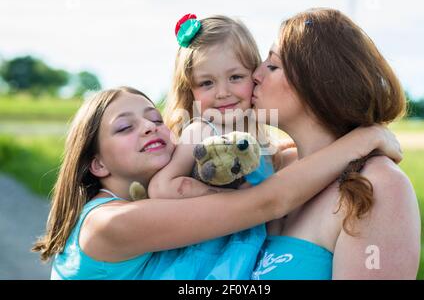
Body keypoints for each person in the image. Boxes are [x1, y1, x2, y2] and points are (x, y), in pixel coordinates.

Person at [32, 86, 401, 280]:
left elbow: (269, 157)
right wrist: (363, 139)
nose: (149, 126)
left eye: (154, 118)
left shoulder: (133, 204)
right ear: (96, 163)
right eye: (126, 127)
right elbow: (264, 204)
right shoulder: (111, 224)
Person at [250, 8, 421, 280]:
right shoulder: (269, 167)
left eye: (272, 66)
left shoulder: (378, 185)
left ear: (317, 82)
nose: (255, 75)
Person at [146, 14, 275, 279]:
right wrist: (219, 194)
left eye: (236, 77)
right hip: (208, 253)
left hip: (253, 251)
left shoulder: (258, 129)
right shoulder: (201, 130)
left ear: (255, 75)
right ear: (190, 89)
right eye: (207, 83)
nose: (222, 92)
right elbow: (160, 187)